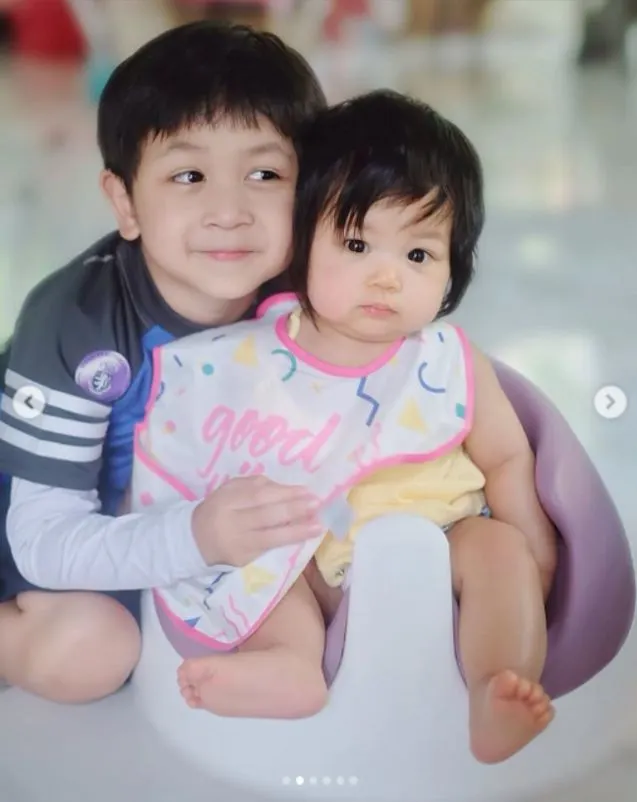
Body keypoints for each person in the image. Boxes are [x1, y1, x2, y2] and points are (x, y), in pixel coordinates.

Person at [133, 90, 558, 765]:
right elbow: (219, 465)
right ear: (302, 242)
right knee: (259, 565)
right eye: (357, 244)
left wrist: (532, 541)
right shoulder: (257, 357)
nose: (387, 277)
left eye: (419, 255)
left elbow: (507, 455)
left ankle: (496, 688)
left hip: (446, 538)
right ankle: (290, 664)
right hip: (312, 556)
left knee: (499, 553)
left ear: (454, 266)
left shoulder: (446, 359)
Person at [0, 20, 327, 702]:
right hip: (33, 527)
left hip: (164, 522)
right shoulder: (78, 323)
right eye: (188, 175)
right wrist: (197, 537)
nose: (229, 211)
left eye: (265, 173)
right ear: (125, 202)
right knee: (92, 651)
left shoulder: (305, 294)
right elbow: (42, 540)